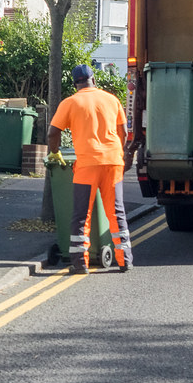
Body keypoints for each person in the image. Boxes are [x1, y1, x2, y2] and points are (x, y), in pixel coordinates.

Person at [47, 64, 133, 274]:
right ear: (93, 80)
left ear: (75, 83)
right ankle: (125, 260)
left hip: (87, 165)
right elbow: (124, 132)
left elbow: (52, 133)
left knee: (81, 215)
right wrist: (118, 153)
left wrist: (54, 151)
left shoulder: (70, 102)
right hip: (113, 162)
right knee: (116, 212)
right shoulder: (112, 100)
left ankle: (80, 263)